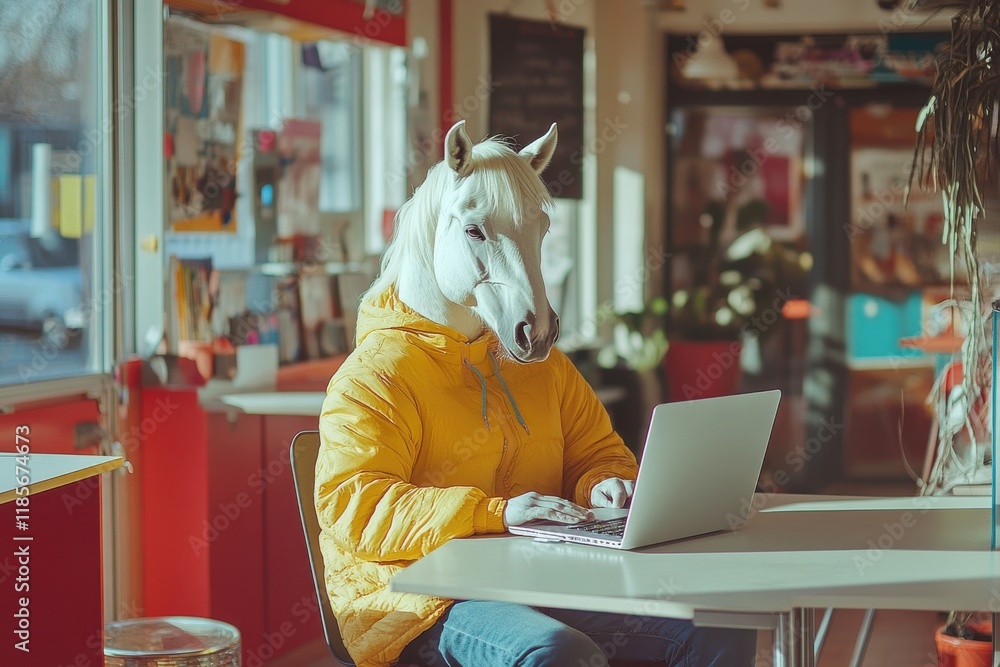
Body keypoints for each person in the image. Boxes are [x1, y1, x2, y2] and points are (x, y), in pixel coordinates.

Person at [314, 289, 756, 667]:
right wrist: (494, 512)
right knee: (557, 651)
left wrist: (603, 482)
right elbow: (357, 505)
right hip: (421, 598)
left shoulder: (543, 364)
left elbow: (599, 453)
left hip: (542, 577)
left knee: (718, 626)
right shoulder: (373, 375)